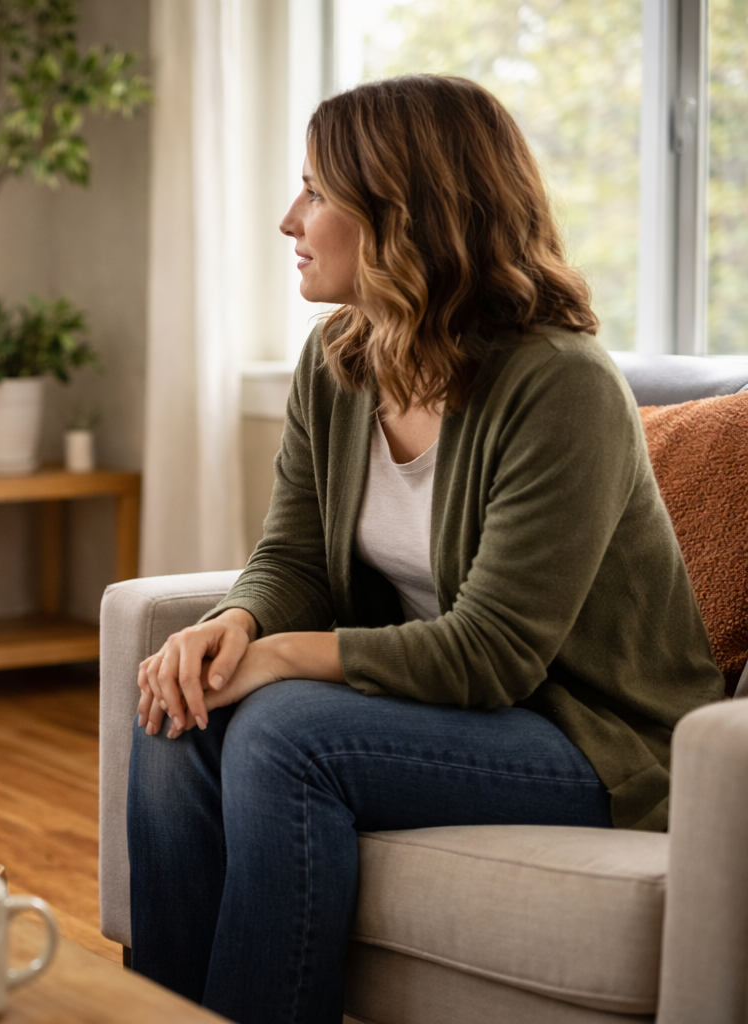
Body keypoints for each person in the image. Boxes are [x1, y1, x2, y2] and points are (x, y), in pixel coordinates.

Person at [125, 75, 722, 1024]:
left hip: (592, 735)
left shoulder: (562, 386)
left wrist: (278, 658)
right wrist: (234, 623)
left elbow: (493, 651)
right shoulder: (337, 366)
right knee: (175, 698)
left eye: (317, 191)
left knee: (284, 731)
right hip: (452, 712)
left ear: (405, 215)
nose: (290, 218)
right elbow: (293, 561)